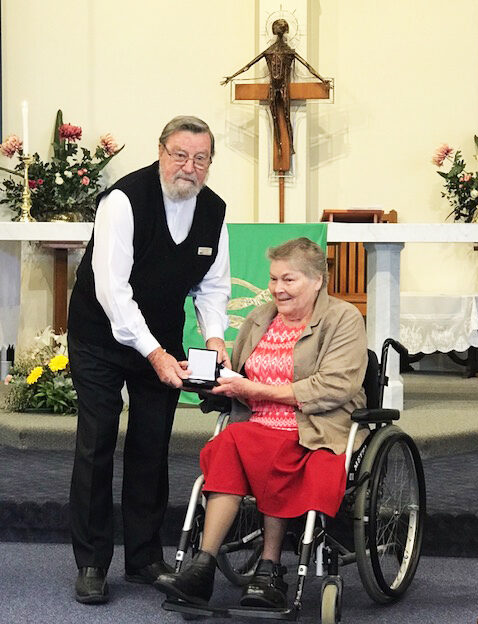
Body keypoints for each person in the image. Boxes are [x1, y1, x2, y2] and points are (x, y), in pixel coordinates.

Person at [67, 115, 231, 604]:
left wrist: (216, 336)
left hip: (160, 336)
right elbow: (112, 290)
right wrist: (155, 353)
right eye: (180, 155)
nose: (190, 167)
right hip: (100, 335)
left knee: (151, 443)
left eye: (201, 158)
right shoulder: (122, 200)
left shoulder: (214, 210)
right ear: (161, 152)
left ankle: (142, 557)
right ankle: (93, 562)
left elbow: (213, 284)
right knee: (96, 441)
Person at [154, 237, 368, 609]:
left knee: (258, 448)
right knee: (227, 446)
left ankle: (269, 567)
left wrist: (256, 388)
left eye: (289, 280)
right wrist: (209, 378)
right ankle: (202, 566)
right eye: (273, 280)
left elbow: (334, 387)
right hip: (255, 423)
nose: (277, 290)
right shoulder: (260, 317)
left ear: (318, 280)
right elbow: (238, 374)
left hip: (314, 428)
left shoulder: (343, 319)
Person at [221, 19, 330, 159]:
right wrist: (231, 77)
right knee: (280, 117)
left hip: (282, 87)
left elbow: (307, 66)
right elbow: (249, 65)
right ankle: (283, 147)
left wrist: (231, 77)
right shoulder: (277, 51)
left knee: (282, 117)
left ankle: (288, 146)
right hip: (275, 87)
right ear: (285, 31)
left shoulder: (283, 52)